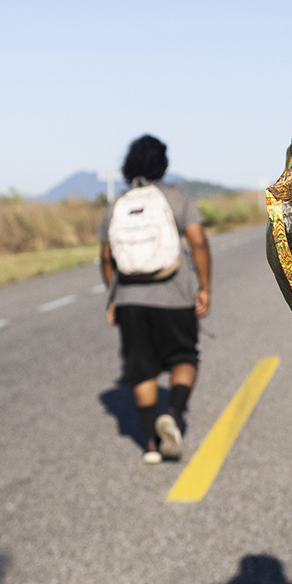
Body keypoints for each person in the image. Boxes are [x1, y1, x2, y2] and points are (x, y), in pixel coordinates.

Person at [99, 134, 212, 464]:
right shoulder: (177, 198)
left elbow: (106, 258)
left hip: (130, 300)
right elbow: (199, 244)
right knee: (184, 358)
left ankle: (150, 444)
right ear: (162, 163)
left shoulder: (117, 203)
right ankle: (173, 416)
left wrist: (113, 297)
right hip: (175, 295)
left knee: (141, 368)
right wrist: (203, 287)